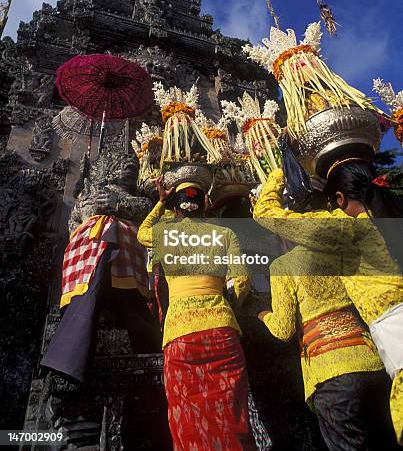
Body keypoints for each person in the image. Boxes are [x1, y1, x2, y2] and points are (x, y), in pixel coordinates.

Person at [254, 162, 402, 449]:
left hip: (337, 370)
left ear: (340, 200)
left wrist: (282, 168)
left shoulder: (343, 231)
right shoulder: (380, 224)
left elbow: (284, 329)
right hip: (373, 363)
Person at [137, 177, 256, 451]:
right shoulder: (224, 234)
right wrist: (231, 307)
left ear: (176, 209)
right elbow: (241, 280)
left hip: (180, 335)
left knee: (187, 418)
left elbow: (142, 232)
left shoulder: (165, 234)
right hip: (221, 331)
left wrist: (161, 203)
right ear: (204, 206)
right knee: (232, 418)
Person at [41, 152, 161, 383]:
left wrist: (115, 204)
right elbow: (73, 223)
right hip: (91, 249)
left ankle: (145, 338)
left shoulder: (137, 198)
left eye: (133, 166)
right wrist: (90, 212)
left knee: (132, 302)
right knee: (87, 298)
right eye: (123, 163)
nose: (129, 168)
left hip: (127, 248)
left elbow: (145, 210)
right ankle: (69, 352)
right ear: (109, 168)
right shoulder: (89, 192)